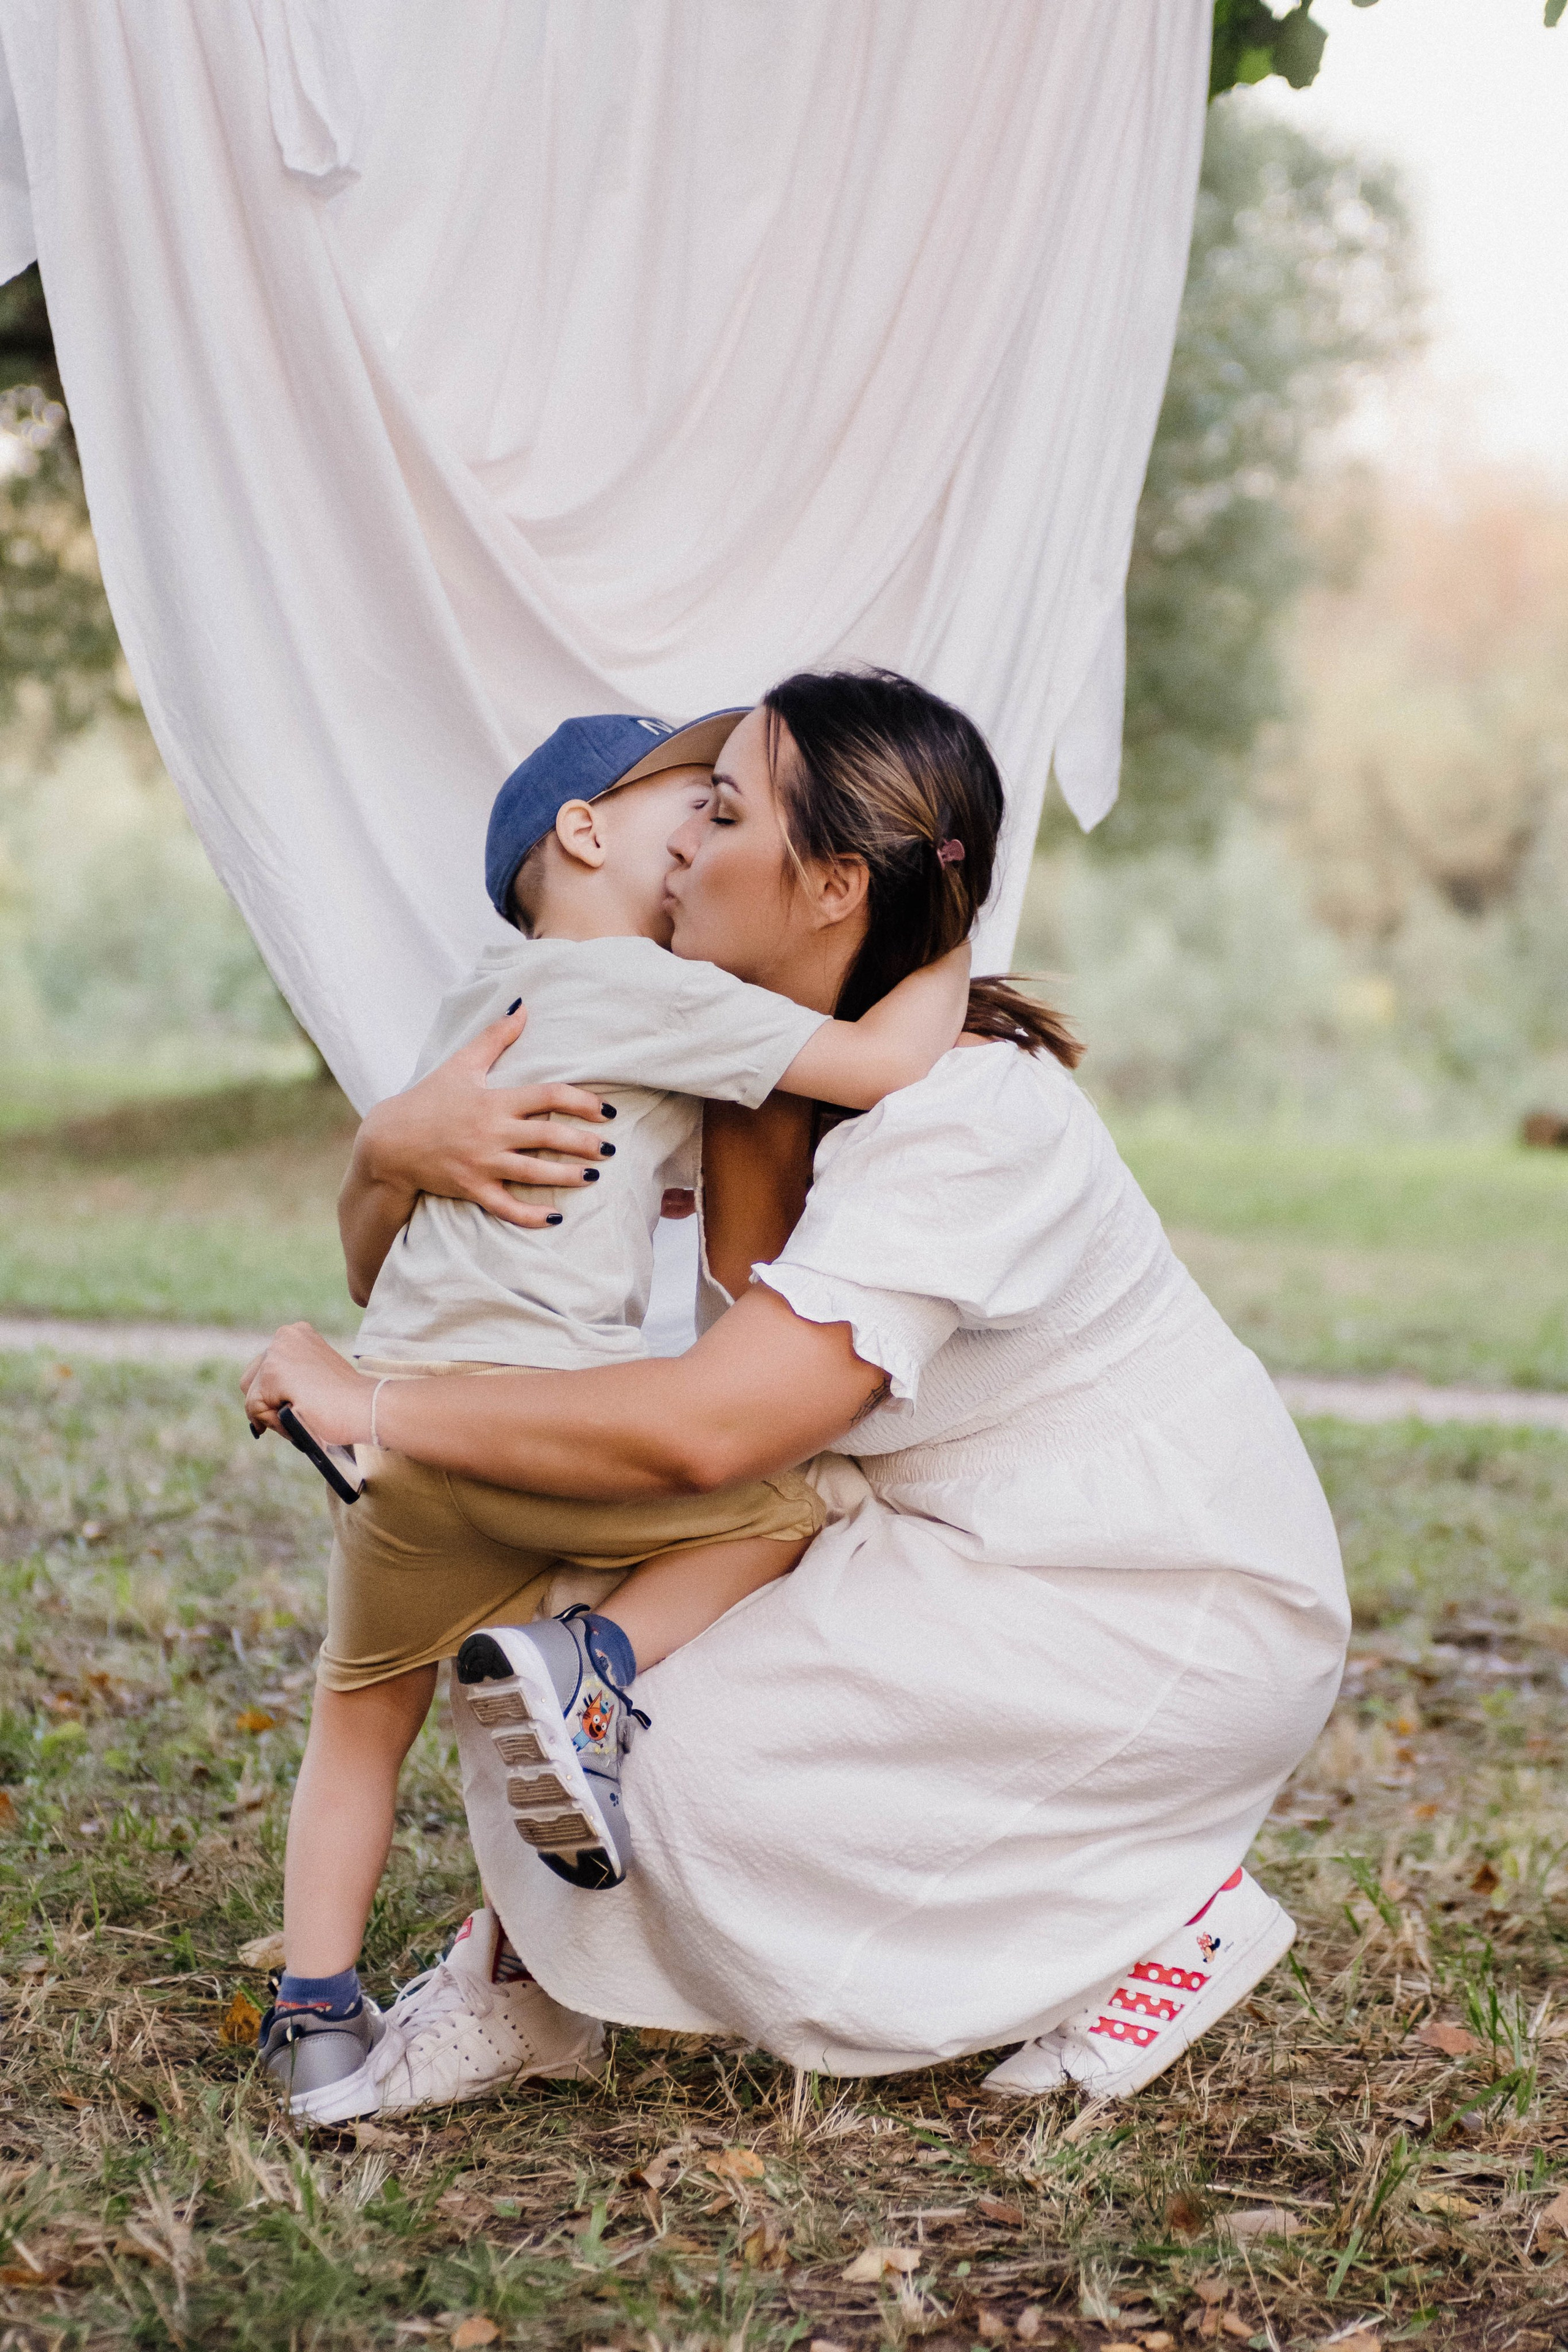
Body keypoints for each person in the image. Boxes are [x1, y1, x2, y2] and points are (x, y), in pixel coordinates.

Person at [243, 668, 1349, 2120]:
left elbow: (706, 1427)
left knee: (659, 1760)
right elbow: (466, 1267)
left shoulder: (970, 1119)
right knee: (547, 1661)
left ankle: (1148, 1912)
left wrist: (377, 1413)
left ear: (831, 887)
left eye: (721, 813)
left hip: (1139, 1593)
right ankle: (527, 1971)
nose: (685, 849)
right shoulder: (718, 1080)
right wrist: (388, 1152)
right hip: (919, 1537)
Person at [254, 704, 968, 2121]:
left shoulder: (484, 1003)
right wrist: (947, 915)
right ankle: (591, 1661)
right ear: (583, 832)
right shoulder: (640, 987)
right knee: (792, 1504)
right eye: (690, 806)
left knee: (357, 1721)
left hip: (392, 1450)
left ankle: (315, 2018)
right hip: (529, 1424)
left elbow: (376, 1264)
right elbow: (877, 1066)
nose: (708, 837)